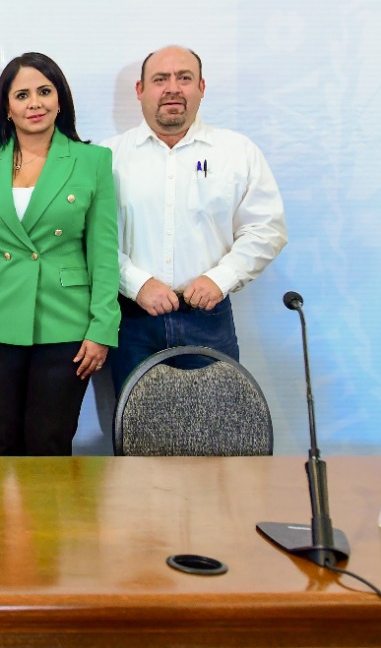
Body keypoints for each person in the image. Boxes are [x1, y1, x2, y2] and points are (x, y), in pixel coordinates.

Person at [0, 53, 119, 456]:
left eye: (44, 91)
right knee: (1, 442)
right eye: (22, 95)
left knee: (50, 445)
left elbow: (103, 252)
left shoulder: (93, 161)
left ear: (60, 100)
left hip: (66, 323)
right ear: (6, 107)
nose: (34, 103)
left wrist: (102, 328)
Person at [104, 45, 286, 394]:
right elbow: (92, 237)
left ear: (201, 87)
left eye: (184, 78)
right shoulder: (107, 157)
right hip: (132, 320)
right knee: (138, 426)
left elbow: (266, 229)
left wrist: (221, 278)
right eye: (160, 79)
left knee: (217, 423)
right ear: (140, 90)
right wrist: (136, 283)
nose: (172, 88)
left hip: (209, 320)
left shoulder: (237, 152)